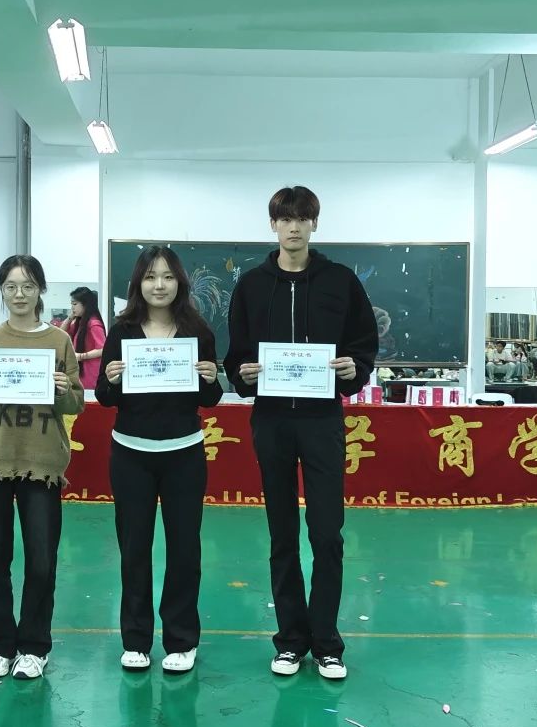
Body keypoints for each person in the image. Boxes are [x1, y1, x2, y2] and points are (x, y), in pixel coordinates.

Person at [224, 185, 377, 680]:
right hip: (271, 421)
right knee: (282, 533)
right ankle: (290, 640)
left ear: (314, 223)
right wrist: (243, 374)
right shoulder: (252, 285)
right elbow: (235, 354)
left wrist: (355, 369)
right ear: (273, 225)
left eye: (302, 218)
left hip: (322, 421)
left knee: (327, 533)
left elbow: (363, 345)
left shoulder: (340, 281)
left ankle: (327, 643)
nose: (293, 227)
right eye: (285, 218)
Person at [95, 246, 223, 674]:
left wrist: (212, 380)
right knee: (134, 549)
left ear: (179, 282)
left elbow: (209, 398)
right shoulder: (122, 331)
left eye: (167, 276)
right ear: (139, 284)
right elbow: (105, 397)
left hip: (184, 453)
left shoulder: (197, 331)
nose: (159, 285)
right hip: (131, 454)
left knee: (185, 550)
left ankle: (181, 640)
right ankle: (135, 640)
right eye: (151, 277)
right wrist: (111, 378)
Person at [0, 254, 84, 681]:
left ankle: (34, 647)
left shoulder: (59, 341)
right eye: (11, 286)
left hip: (42, 463)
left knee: (42, 562)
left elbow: (76, 403)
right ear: (2, 291)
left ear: (40, 291)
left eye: (28, 286)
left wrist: (64, 390)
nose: (19, 294)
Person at [60, 287, 106, 390]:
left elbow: (102, 349)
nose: (72, 307)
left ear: (85, 304)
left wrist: (80, 356)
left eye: (75, 304)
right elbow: (61, 332)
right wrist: (71, 317)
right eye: (71, 304)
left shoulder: (93, 323)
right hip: (82, 370)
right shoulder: (81, 322)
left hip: (91, 372)